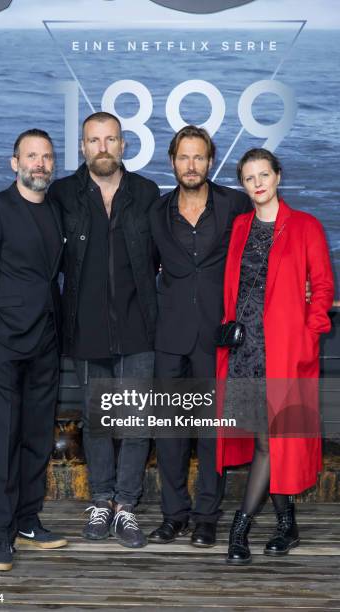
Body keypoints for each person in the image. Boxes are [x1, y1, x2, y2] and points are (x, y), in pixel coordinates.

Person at [217, 148, 334, 565]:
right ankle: (287, 523)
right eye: (249, 178)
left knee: (271, 438)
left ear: (278, 176)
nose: (258, 183)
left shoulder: (305, 226)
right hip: (245, 350)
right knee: (265, 436)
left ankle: (240, 528)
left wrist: (309, 329)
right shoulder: (240, 226)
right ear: (244, 185)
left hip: (285, 349)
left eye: (263, 174)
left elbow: (321, 286)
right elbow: (235, 285)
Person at [48, 112, 160, 548]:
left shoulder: (147, 193)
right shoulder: (62, 195)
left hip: (139, 327)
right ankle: (101, 501)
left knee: (135, 421)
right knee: (97, 421)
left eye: (110, 139)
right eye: (94, 140)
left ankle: (126, 507)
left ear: (123, 144)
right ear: (82, 147)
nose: (102, 148)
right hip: (86, 326)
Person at [0, 129, 67, 571]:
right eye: (31, 156)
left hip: (46, 340)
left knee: (36, 438)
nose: (39, 164)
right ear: (14, 163)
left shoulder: (56, 211)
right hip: (5, 343)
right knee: (4, 441)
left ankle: (28, 522)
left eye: (46, 157)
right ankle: (1, 536)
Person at [148, 125, 252, 547]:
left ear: (211, 161)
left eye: (199, 157)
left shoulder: (235, 204)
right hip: (169, 335)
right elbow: (145, 269)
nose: (191, 165)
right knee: (171, 431)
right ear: (172, 161)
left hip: (217, 336)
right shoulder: (156, 212)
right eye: (183, 157)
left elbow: (260, 255)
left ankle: (207, 517)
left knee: (213, 431)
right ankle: (174, 515)